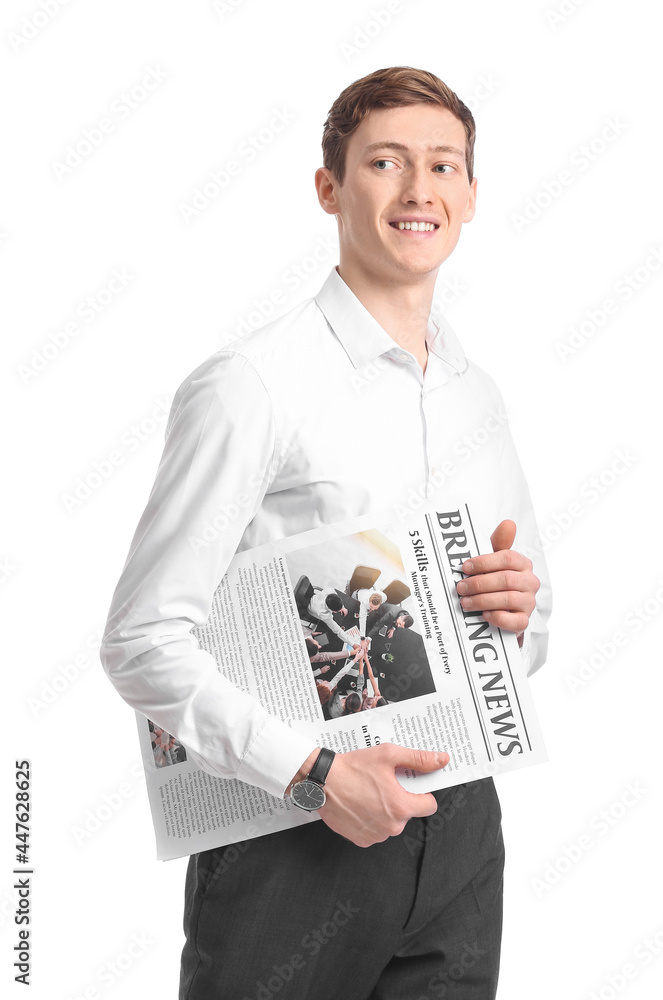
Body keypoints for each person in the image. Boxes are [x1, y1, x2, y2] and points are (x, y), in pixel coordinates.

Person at [99, 65, 551, 999]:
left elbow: (529, 641)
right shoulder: (252, 386)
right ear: (330, 187)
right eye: (386, 161)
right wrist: (312, 776)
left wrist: (517, 614)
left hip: (462, 830)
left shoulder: (478, 393)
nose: (419, 190)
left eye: (444, 166)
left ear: (470, 195)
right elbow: (142, 641)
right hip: (291, 836)